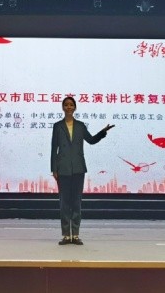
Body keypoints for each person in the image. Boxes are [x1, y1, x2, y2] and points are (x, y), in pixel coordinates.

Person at [50, 95, 114, 245]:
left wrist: (102, 132)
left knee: (76, 202)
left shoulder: (80, 126)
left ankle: (76, 234)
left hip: (78, 168)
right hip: (63, 168)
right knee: (64, 203)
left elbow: (91, 140)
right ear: (63, 107)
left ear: (75, 107)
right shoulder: (57, 126)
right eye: (66, 105)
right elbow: (54, 148)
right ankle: (66, 235)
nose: (69, 107)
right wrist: (54, 169)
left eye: (71, 105)